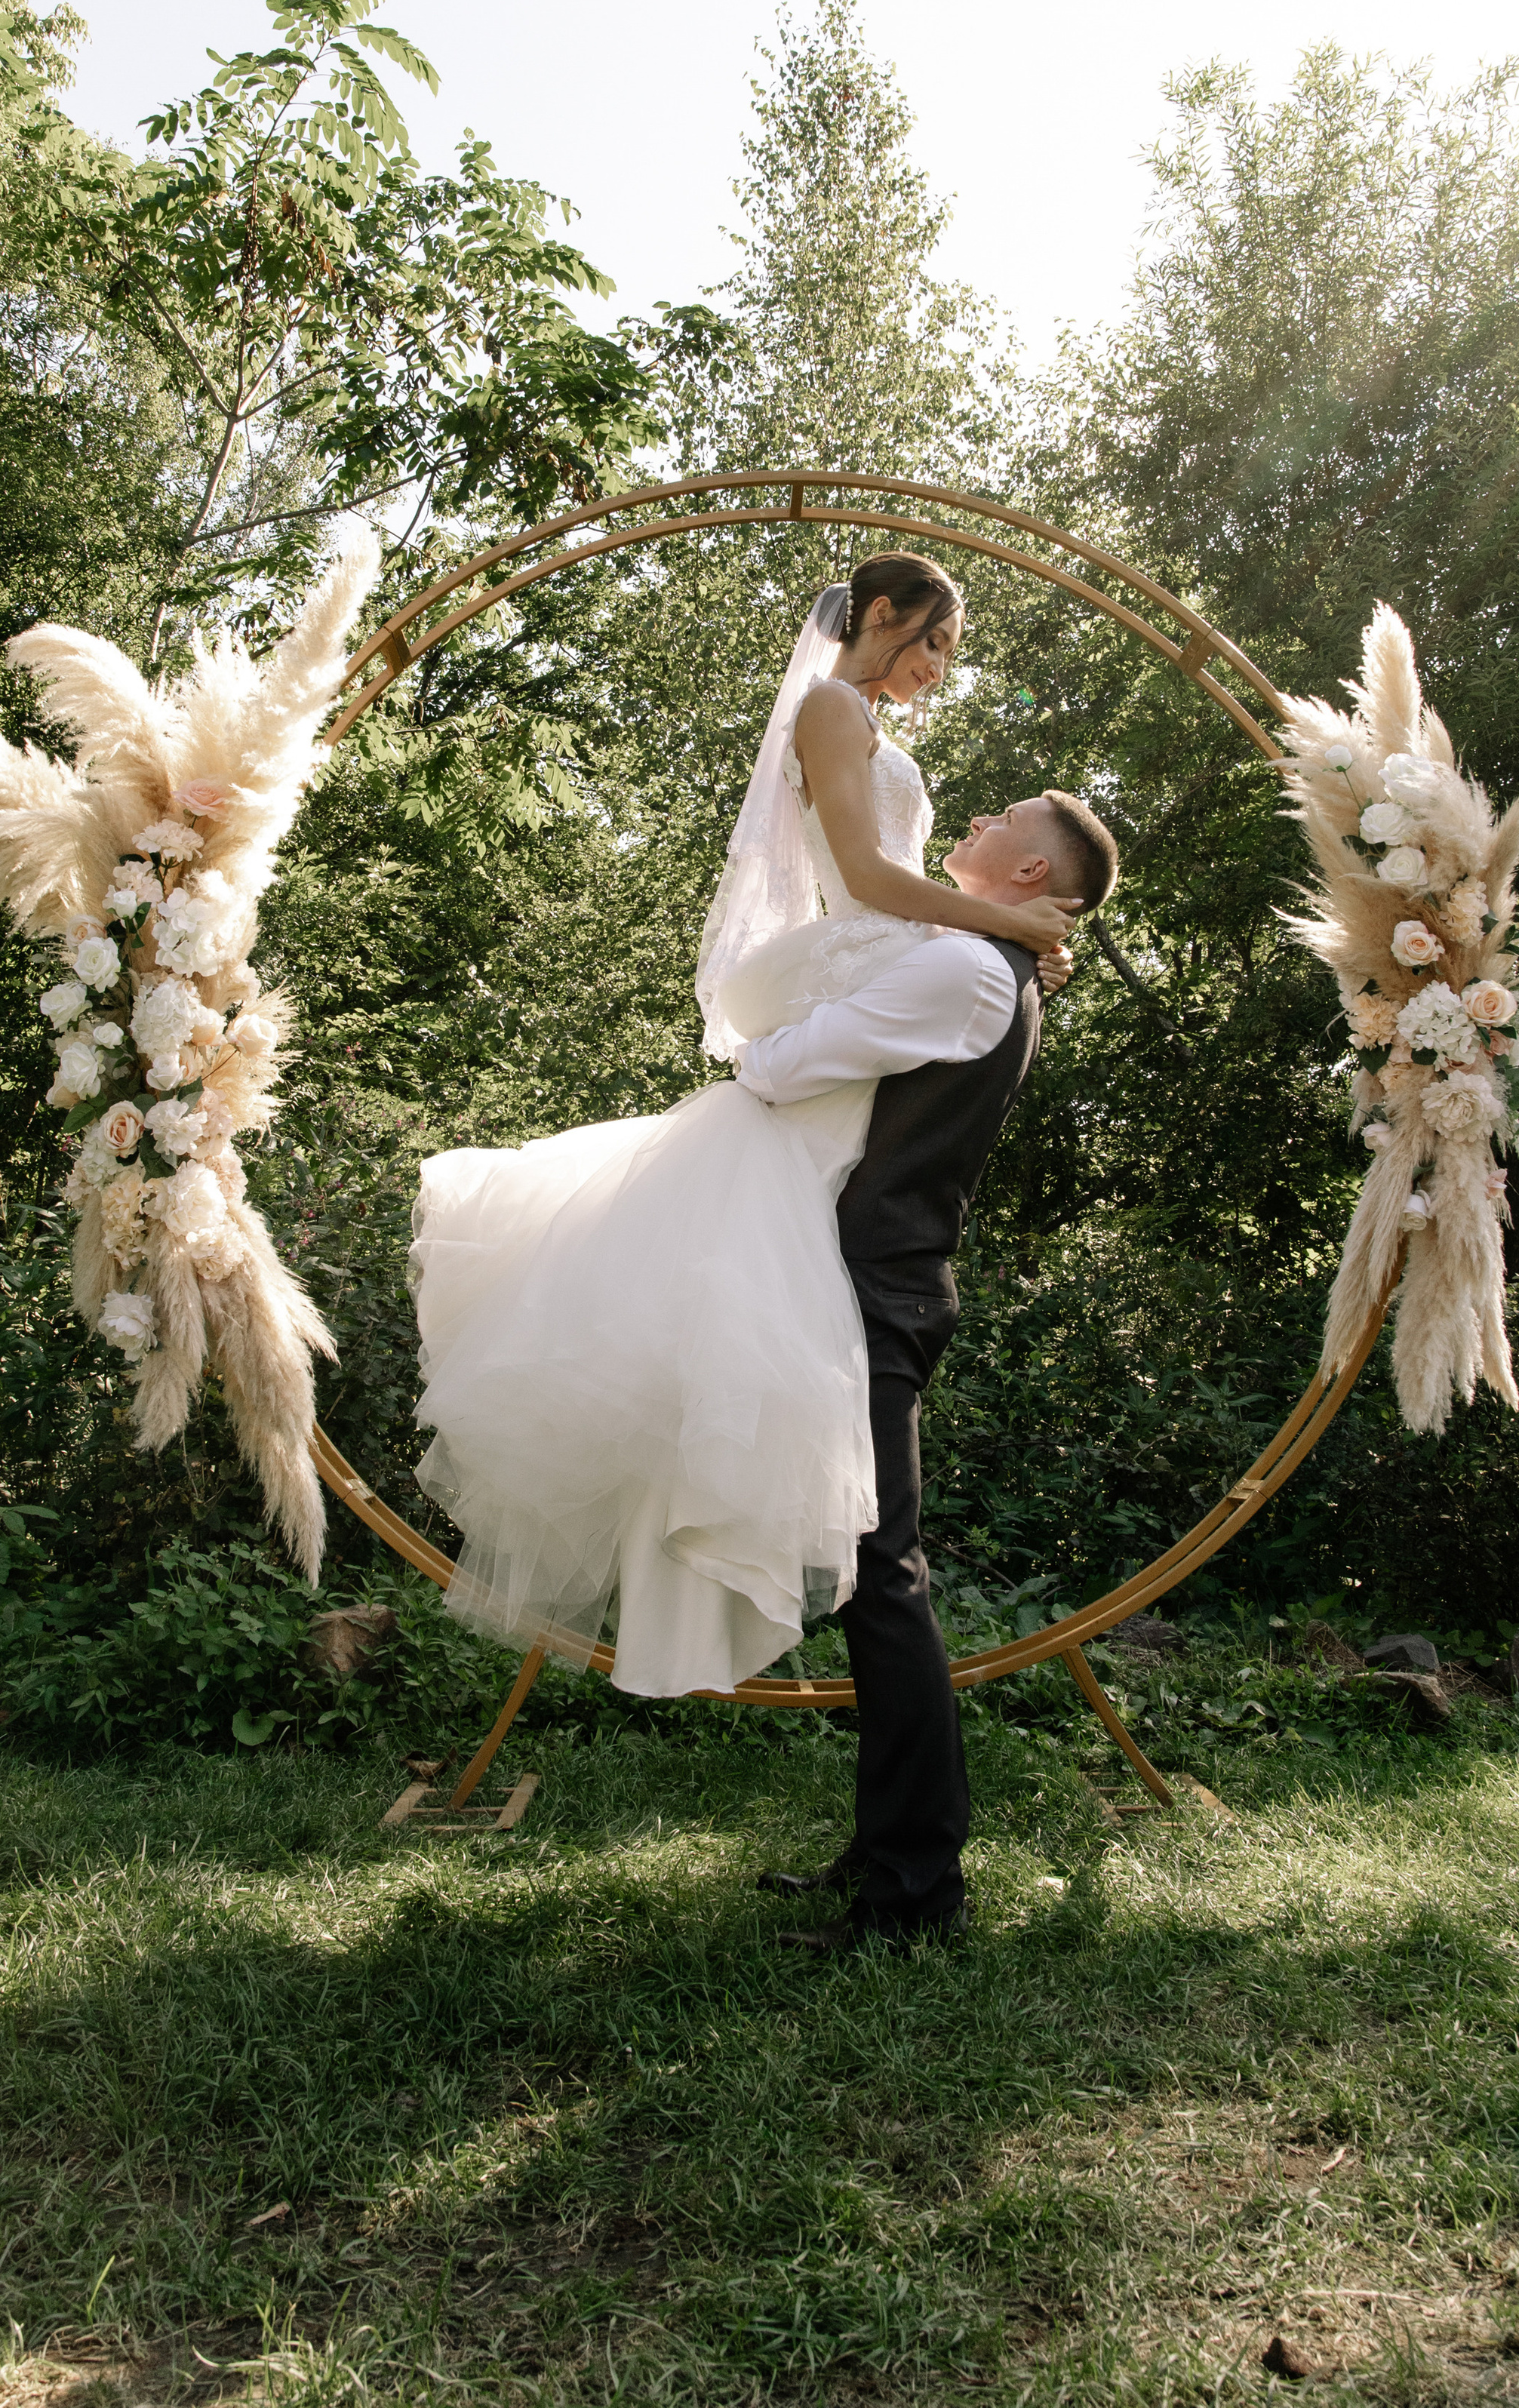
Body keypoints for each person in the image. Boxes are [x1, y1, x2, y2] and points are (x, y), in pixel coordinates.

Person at [406, 552, 1108, 1713]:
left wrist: (1002, 938)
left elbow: (911, 897)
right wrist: (1000, 921)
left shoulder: (875, 741)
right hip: (863, 945)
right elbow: (877, 879)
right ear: (879, 615)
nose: (936, 671)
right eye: (931, 643)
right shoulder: (832, 706)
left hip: (884, 967)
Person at [738, 784, 1117, 1951]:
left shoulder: (966, 973)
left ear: (1030, 879)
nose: (987, 812)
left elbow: (779, 1067)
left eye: (1012, 815)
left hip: (876, 1287)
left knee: (882, 1575)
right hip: (879, 1281)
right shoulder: (980, 964)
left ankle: (918, 1896)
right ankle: (887, 1859)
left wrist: (781, 1016)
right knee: (868, 1579)